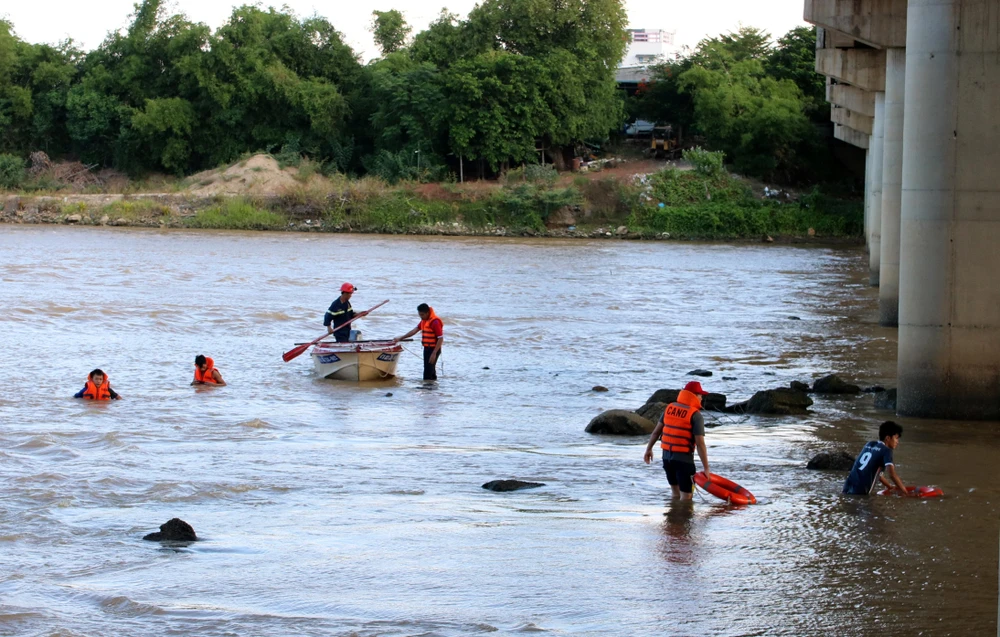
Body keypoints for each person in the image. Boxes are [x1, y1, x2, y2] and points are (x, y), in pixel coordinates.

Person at [643, 381, 712, 500]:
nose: (701, 398)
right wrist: (706, 468)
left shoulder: (669, 408)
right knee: (686, 497)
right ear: (694, 396)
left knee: (675, 494)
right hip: (683, 460)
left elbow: (656, 432)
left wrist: (648, 449)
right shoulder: (695, 415)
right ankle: (682, 513)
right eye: (700, 395)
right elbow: (700, 444)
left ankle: (673, 512)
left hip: (667, 458)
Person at [843, 420, 910, 495]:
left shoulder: (869, 444)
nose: (897, 441)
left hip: (847, 486)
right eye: (896, 438)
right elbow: (892, 474)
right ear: (888, 438)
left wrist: (889, 487)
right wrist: (905, 492)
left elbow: (877, 474)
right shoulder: (886, 450)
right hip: (860, 491)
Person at [394, 304, 443, 381]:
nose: (421, 317)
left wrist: (434, 353)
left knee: (427, 373)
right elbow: (414, 331)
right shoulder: (423, 321)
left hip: (434, 349)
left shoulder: (435, 322)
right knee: (430, 370)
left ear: (427, 313)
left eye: (422, 315)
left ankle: (427, 387)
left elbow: (440, 338)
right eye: (420, 315)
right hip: (427, 349)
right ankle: (433, 387)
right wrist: (401, 338)